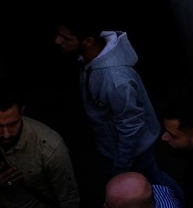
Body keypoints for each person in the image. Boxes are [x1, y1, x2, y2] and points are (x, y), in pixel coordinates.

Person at [56, 22, 160, 175]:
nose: (57, 41)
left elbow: (130, 127)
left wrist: (120, 168)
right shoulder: (89, 58)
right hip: (114, 150)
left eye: (65, 38)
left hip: (131, 158)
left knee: (150, 188)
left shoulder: (114, 81)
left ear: (89, 41)